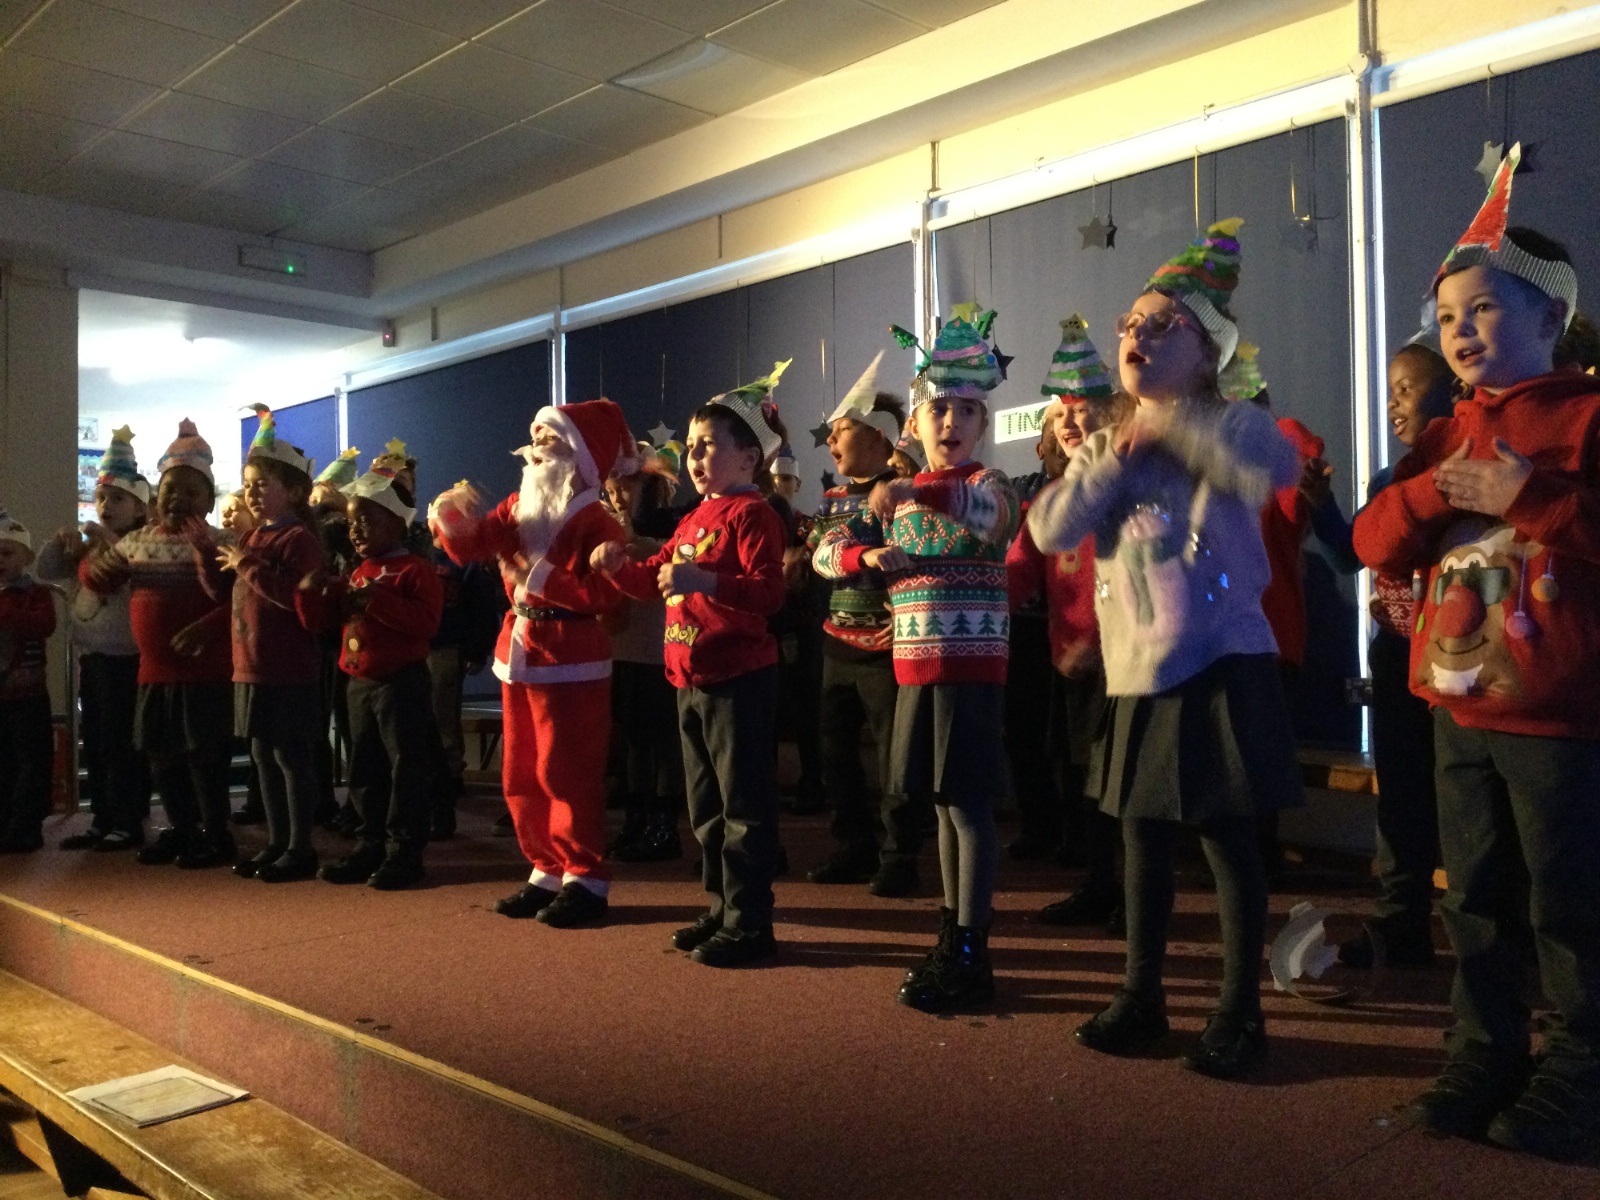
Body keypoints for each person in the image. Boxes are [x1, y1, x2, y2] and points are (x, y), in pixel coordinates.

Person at [1352, 146, 1600, 1159]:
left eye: (1485, 308)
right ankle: (1485, 1050)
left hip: (1559, 713)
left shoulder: (1587, 416)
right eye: (1447, 315)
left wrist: (1525, 496)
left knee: (1570, 903)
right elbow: (1372, 540)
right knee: (1478, 896)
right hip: (1458, 700)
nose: (1458, 329)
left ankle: (1582, 1070)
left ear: (1550, 319)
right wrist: (1424, 494)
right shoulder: (1442, 436)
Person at [1029, 220, 1303, 1078]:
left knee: (1226, 839)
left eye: (1160, 325)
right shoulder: (1105, 445)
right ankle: (1141, 995)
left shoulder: (1236, 421)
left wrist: (1174, 431)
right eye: (1130, 324)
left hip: (1222, 660)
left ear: (1208, 350)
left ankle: (1239, 1010)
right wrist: (1116, 459)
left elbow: (1269, 473)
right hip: (1137, 670)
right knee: (1140, 836)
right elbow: (1050, 529)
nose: (1136, 335)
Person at [817, 308, 1020, 1012]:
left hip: (969, 672)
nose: (950, 420)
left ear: (982, 423)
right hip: (914, 672)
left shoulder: (988, 483)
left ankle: (971, 947)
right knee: (937, 806)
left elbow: (994, 519)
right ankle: (950, 931)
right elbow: (825, 553)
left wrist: (915, 488)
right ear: (915, 423)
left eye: (965, 410)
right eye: (937, 409)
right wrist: (866, 554)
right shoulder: (892, 501)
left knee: (967, 809)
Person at [592, 365, 790, 967]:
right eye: (693, 445)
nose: (695, 456)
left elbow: (768, 593)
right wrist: (617, 570)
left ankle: (751, 922)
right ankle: (720, 908)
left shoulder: (754, 515)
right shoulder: (693, 519)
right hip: (689, 677)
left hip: (738, 678)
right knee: (705, 809)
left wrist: (705, 580)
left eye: (708, 445)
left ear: (749, 457)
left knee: (743, 807)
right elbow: (655, 584)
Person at [431, 400, 634, 928]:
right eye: (535, 436)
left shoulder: (599, 522)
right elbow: (472, 545)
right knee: (520, 771)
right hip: (519, 650)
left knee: (566, 771)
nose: (537, 446)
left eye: (549, 438)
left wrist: (538, 577)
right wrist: (450, 513)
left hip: (571, 656)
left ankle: (585, 877)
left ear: (580, 455)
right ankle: (546, 867)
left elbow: (606, 598)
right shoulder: (519, 506)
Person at [1313, 343, 1456, 970]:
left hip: (1456, 660)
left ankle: (1504, 936)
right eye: (1390, 389)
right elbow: (1351, 556)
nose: (1393, 402)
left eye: (1407, 388)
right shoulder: (1387, 481)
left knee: (1466, 797)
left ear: (1450, 391)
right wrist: (1321, 507)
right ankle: (1402, 921)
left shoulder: (1468, 469)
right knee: (1400, 794)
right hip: (1398, 655)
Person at [1010, 316, 1127, 932]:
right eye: (1059, 414)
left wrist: (1104, 643)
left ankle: (1135, 895)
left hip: (1129, 660)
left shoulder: (1130, 484)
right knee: (1084, 774)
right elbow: (1018, 570)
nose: (1070, 422)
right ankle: (1100, 884)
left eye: (1081, 410)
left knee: (1124, 781)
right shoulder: (1050, 499)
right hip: (1073, 659)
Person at [85, 420, 237, 869]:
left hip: (205, 673)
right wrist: (88, 551)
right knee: (161, 757)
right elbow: (97, 579)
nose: (179, 499)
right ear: (156, 496)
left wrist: (207, 626)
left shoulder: (224, 543)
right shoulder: (137, 542)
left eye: (192, 491)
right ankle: (183, 830)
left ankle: (217, 835)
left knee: (204, 757)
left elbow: (242, 602)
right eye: (171, 489)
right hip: (152, 673)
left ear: (209, 501)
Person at [299, 449, 443, 890]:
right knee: (364, 768)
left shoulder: (414, 569)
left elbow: (425, 624)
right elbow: (324, 624)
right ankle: (369, 843)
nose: (356, 529)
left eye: (367, 520)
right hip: (359, 682)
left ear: (397, 524)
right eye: (352, 522)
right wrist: (311, 594)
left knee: (405, 768)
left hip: (401, 682)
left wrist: (376, 601)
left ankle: (404, 852)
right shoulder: (359, 570)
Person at [802, 352, 915, 892]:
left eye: (842, 430)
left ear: (877, 436)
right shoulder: (830, 501)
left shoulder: (905, 493)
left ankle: (899, 857)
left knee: (896, 758)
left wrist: (907, 614)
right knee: (836, 755)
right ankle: (854, 846)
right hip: (837, 644)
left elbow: (917, 557)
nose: (830, 439)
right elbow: (819, 550)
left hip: (887, 647)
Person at [219, 408, 328, 884]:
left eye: (263, 483)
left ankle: (300, 848)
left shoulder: (298, 538)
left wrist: (246, 564)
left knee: (290, 757)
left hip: (287, 667)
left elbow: (293, 597)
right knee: (262, 755)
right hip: (250, 664)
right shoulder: (251, 536)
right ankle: (276, 842)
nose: (252, 492)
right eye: (248, 484)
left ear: (296, 492)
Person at [38, 428, 152, 851]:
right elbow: (47, 570)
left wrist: (106, 542)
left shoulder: (141, 544)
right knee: (99, 742)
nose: (106, 506)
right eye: (102, 498)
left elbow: (135, 576)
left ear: (139, 507)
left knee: (122, 743)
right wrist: (61, 542)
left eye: (118, 499)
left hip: (128, 659)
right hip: (94, 657)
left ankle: (128, 819)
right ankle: (103, 818)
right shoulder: (89, 550)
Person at [602, 448, 685, 862]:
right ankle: (635, 821)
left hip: (658, 647)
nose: (619, 497)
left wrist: (632, 544)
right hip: (622, 647)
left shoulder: (670, 523)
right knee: (634, 741)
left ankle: (664, 826)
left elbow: (671, 562)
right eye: (612, 490)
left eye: (627, 488)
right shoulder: (608, 525)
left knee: (663, 741)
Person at [0, 507, 57, 853]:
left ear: (26, 558)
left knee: (32, 762)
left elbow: (44, 625)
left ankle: (26, 825)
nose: (0, 560)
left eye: (7, 553)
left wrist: (6, 609)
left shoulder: (35, 592)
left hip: (28, 695)